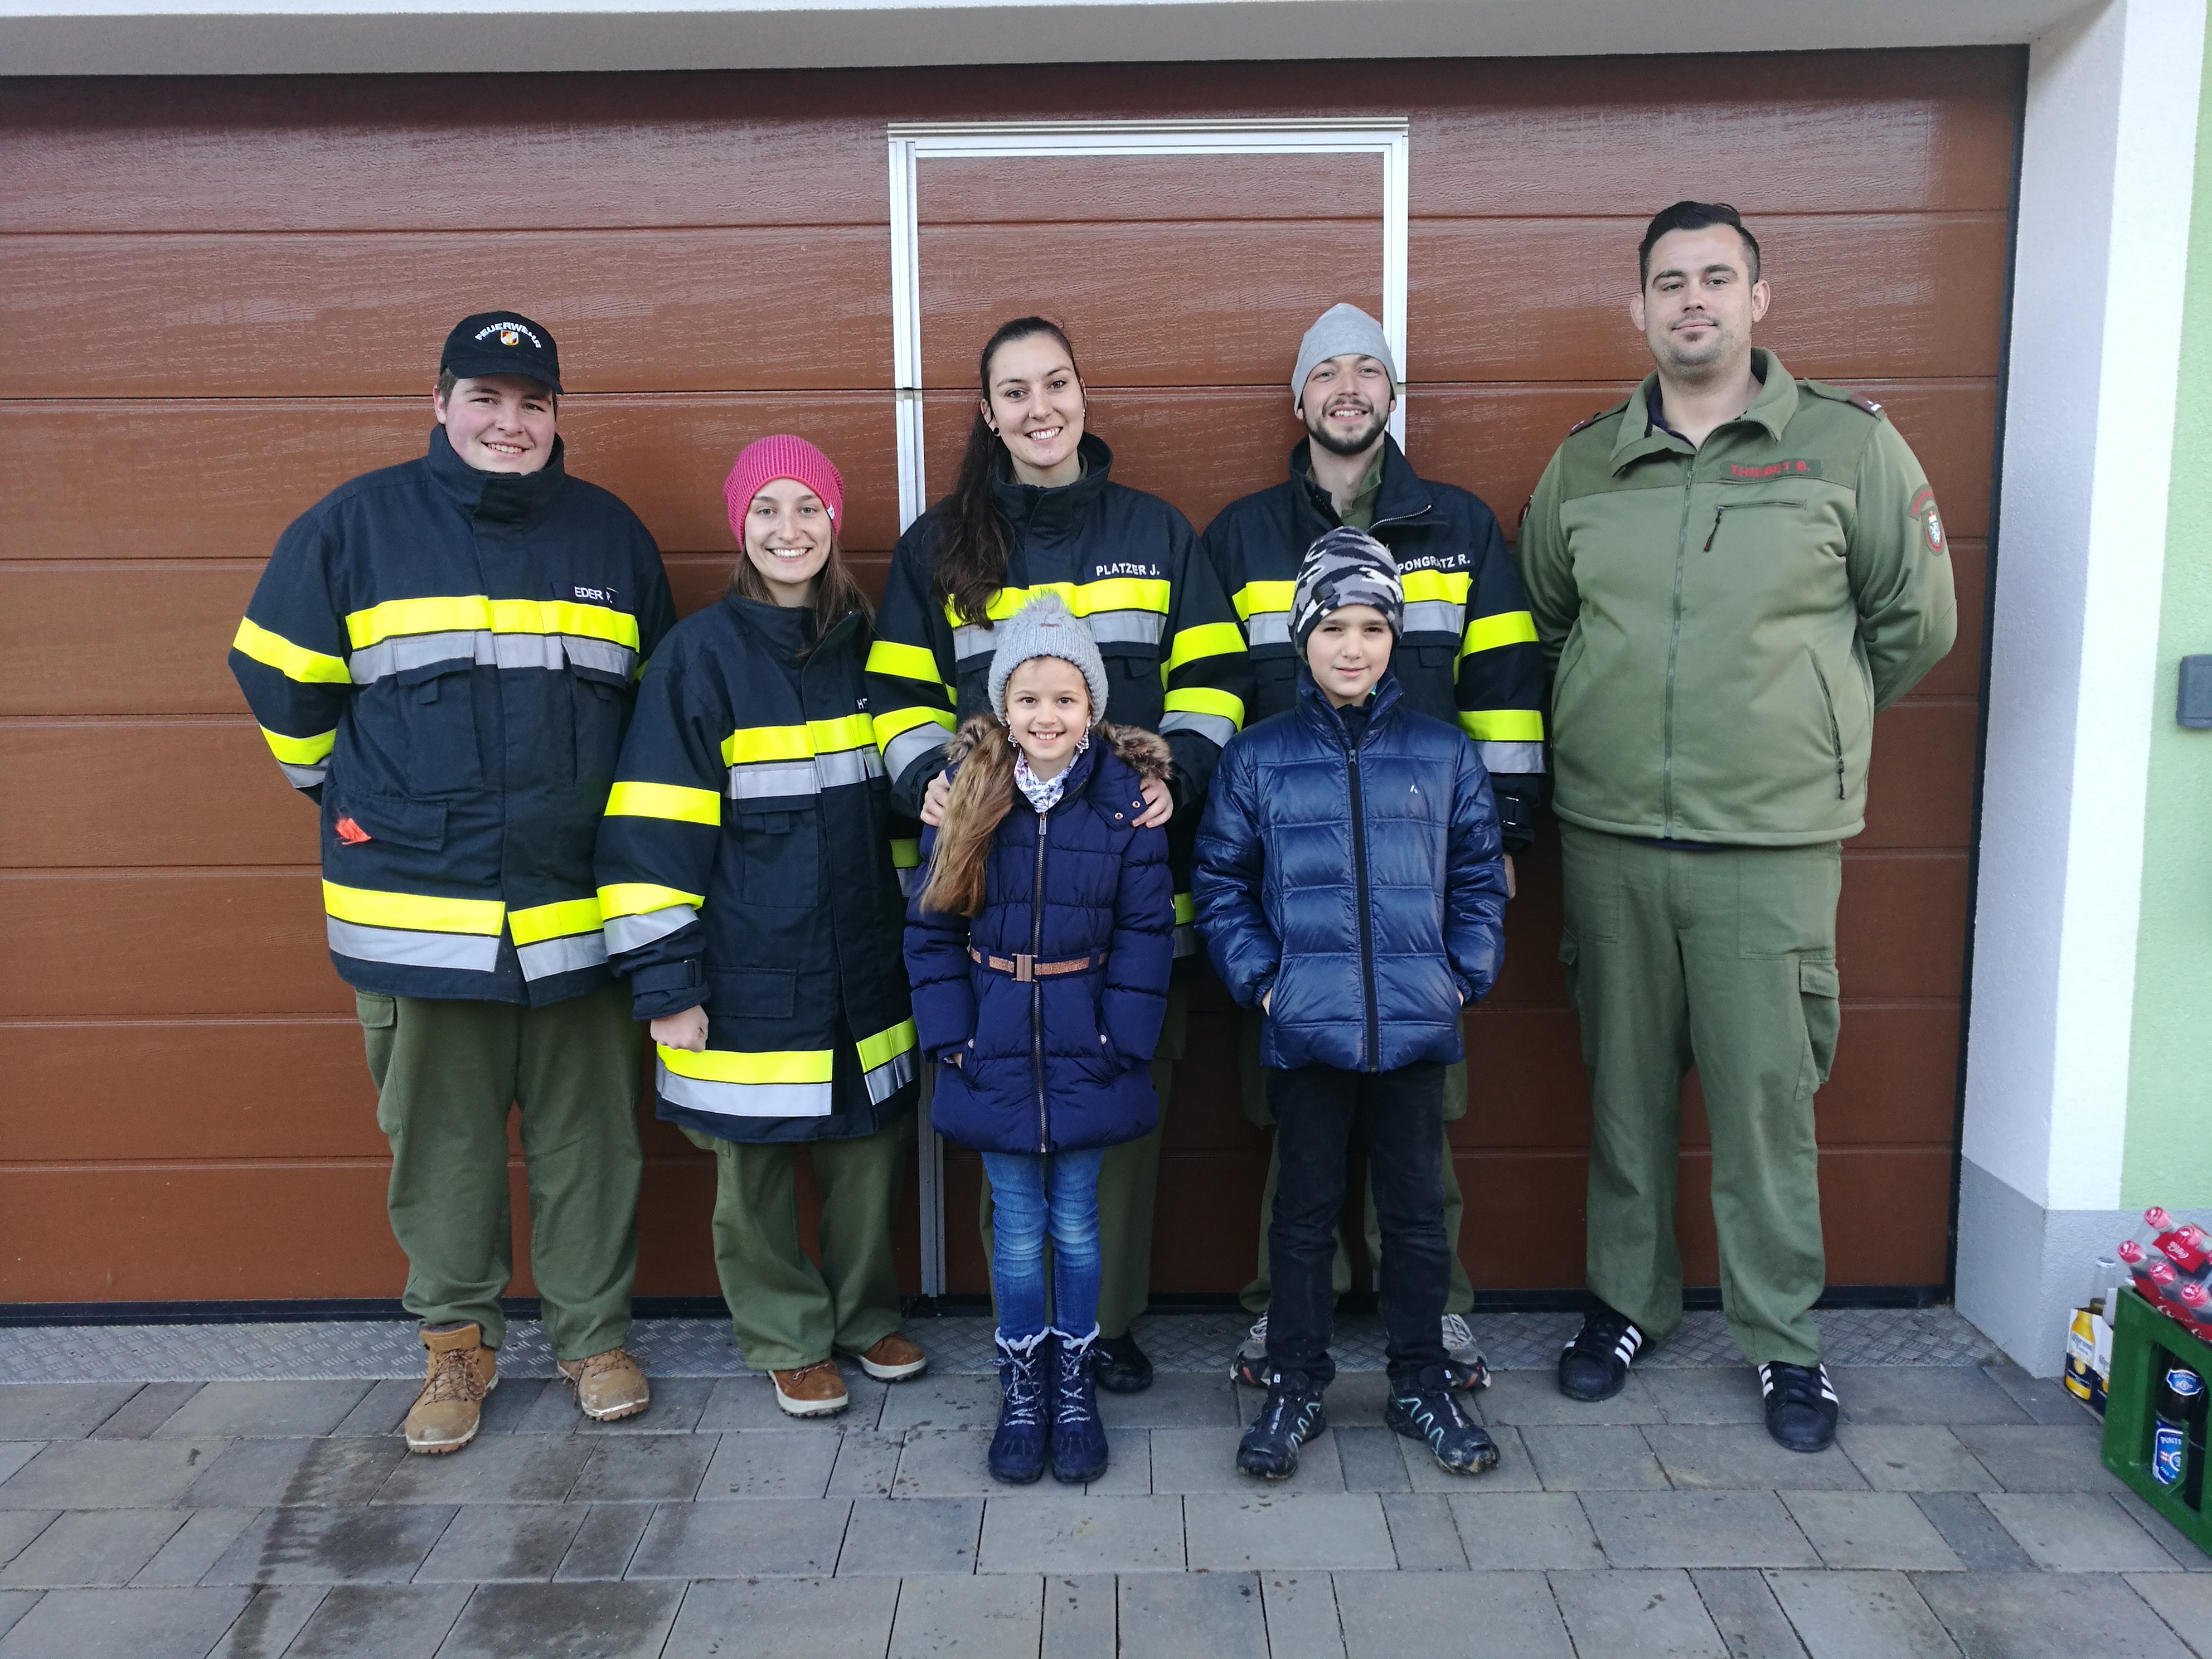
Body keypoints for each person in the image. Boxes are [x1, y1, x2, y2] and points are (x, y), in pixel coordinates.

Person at [1517, 202, 1957, 1452]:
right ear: (1639, 309)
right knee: (1624, 1099)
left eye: (1716, 278)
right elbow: (1547, 621)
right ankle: (1626, 1306)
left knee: (1767, 1108)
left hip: (1769, 846)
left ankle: (1782, 1342)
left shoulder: (1849, 447)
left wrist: (1803, 721)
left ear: (1759, 299)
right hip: (1610, 836)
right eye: (1670, 282)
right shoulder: (1587, 462)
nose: (1692, 301)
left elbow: (1914, 623)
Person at [227, 312, 675, 1453]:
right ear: (439, 404)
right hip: (418, 916)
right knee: (444, 1154)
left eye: (532, 404)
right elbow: (278, 681)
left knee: (591, 1147)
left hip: (577, 914)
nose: (509, 424)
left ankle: (592, 1340)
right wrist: (355, 803)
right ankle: (455, 1349)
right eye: (486, 398)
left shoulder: (612, 538)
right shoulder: (353, 528)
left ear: (557, 416)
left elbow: (653, 721)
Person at [869, 316, 1250, 1391]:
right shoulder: (939, 547)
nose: (1041, 408)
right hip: (991, 906)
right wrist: (924, 777)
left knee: (1113, 1113)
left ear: (1083, 394)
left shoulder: (1157, 533)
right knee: (1010, 1120)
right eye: (1016, 392)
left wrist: (1177, 774)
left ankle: (1105, 1327)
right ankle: (1026, 1342)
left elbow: (1216, 680)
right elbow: (894, 694)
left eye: (1058, 383)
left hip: (1122, 898)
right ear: (988, 416)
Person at [1201, 301, 1545, 1390]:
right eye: (1326, 372)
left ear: (1392, 393)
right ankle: (1283, 1316)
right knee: (1292, 1125)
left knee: (1420, 1126)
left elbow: (1503, 689)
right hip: (1293, 889)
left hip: (1415, 886)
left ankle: (1433, 1317)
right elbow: (1213, 696)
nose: (1347, 389)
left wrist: (1504, 837)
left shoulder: (1461, 526)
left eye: (1367, 371)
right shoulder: (1242, 536)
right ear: (1298, 397)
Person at [595, 435, 928, 1419]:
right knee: (751, 1170)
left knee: (869, 1154)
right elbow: (651, 834)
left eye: (809, 507)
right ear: (740, 525)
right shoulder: (697, 658)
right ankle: (787, 1336)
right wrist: (669, 985)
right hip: (744, 968)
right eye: (768, 509)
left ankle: (866, 1318)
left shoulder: (874, 652)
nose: (790, 529)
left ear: (835, 521)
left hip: (865, 963)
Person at [1195, 528, 1511, 1480]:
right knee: (1303, 1216)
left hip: (1416, 1026)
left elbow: (1479, 878)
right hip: (1305, 1029)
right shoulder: (1258, 757)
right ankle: (1295, 1383)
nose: (1353, 647)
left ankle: (1422, 1381)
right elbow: (1221, 882)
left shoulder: (1442, 754)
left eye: (1373, 628)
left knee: (1415, 1216)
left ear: (1394, 639)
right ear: (1303, 636)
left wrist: (1462, 973)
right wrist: (1266, 981)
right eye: (1333, 627)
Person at [904, 595, 1175, 1484]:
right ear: (1003, 708)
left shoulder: (1127, 803)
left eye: (1065, 698)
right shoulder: (966, 794)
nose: (1046, 716)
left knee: (1078, 1226)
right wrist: (954, 1038)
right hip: (995, 1046)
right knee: (1019, 1230)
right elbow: (931, 929)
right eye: (1028, 699)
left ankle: (1074, 1385)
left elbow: (1146, 933)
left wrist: (1121, 1039)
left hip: (1087, 1045)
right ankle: (1023, 1384)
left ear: (1092, 707)